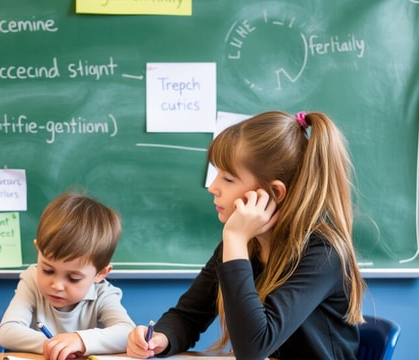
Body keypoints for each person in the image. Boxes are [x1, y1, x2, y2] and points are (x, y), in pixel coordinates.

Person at [126, 111, 366, 360]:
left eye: (228, 178)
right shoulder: (244, 246)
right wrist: (159, 338)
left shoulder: (323, 255)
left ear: (274, 192)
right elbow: (188, 316)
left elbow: (253, 349)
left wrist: (235, 240)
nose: (212, 187)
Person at [0, 191, 135, 360]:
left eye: (73, 278)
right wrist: (55, 345)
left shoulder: (103, 294)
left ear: (100, 273)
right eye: (47, 270)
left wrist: (79, 340)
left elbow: (128, 332)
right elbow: (8, 331)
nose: (57, 285)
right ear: (38, 249)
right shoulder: (31, 280)